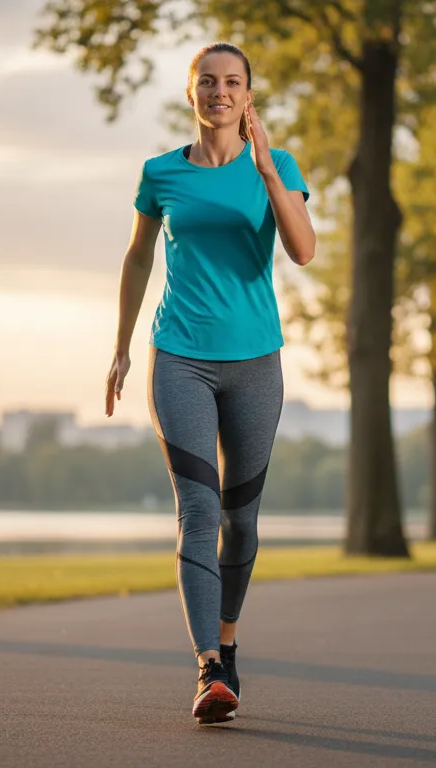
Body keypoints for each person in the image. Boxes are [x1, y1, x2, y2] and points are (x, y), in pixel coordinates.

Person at [103, 42, 316, 725]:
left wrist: (268, 172)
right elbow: (138, 259)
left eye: (232, 83)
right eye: (208, 82)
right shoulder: (161, 173)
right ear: (190, 91)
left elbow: (304, 250)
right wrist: (121, 348)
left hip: (256, 363)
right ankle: (209, 668)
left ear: (249, 96)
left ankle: (228, 639)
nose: (219, 92)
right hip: (181, 359)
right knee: (197, 512)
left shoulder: (276, 167)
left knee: (241, 522)